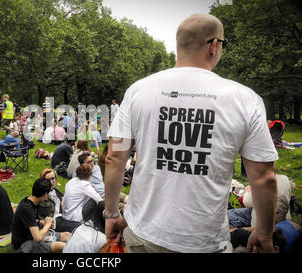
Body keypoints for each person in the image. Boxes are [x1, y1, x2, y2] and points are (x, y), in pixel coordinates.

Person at [104, 13, 279, 253]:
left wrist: (111, 212)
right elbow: (264, 177)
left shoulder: (139, 90)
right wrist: (263, 231)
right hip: (203, 242)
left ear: (179, 46)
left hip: (144, 234)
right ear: (214, 46)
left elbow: (115, 157)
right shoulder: (244, 99)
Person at [11, 178, 69, 253]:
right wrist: (47, 225)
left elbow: (28, 221)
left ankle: (83, 244)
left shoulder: (30, 201)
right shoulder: (26, 208)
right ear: (45, 194)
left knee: (67, 235)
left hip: (31, 235)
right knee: (61, 246)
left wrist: (40, 222)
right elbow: (37, 238)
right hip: (24, 243)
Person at [38, 168, 80, 233]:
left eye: (53, 179)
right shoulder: (40, 195)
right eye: (48, 180)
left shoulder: (56, 191)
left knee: (82, 223)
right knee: (78, 227)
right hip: (53, 223)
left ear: (56, 179)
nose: (51, 182)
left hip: (62, 218)